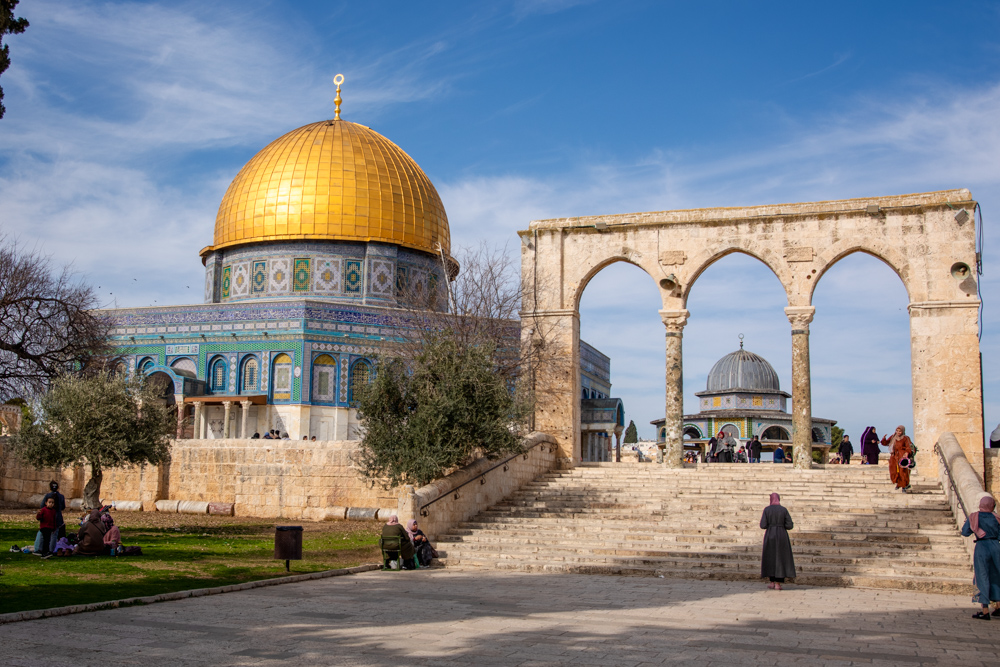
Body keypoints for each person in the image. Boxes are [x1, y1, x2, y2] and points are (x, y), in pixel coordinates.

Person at [962, 495, 1000, 620]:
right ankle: (998, 606)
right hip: (995, 547)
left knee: (981, 576)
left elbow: (965, 532)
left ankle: (984, 611)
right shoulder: (997, 518)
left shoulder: (974, 517)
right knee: (996, 575)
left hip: (982, 546)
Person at [760, 492, 796, 590]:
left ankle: (772, 582)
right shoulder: (783, 510)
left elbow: (763, 525)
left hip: (770, 535)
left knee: (770, 557)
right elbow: (790, 525)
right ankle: (778, 584)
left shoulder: (767, 510)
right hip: (782, 535)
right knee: (781, 558)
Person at [883, 425, 915, 492]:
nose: (898, 432)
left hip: (902, 456)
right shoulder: (893, 437)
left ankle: (904, 485)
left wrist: (906, 453)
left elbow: (908, 447)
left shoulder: (906, 438)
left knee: (902, 472)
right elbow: (886, 443)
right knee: (894, 470)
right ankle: (898, 483)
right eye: (897, 431)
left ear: (902, 431)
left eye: (900, 431)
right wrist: (884, 439)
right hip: (894, 456)